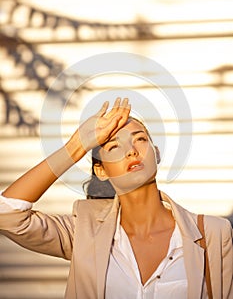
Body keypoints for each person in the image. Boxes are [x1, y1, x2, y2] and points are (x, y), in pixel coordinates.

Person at [0, 97, 232, 299]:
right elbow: (7, 213)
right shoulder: (82, 231)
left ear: (156, 153)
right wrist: (77, 146)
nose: (131, 150)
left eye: (140, 139)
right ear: (101, 170)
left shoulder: (213, 233)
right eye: (114, 147)